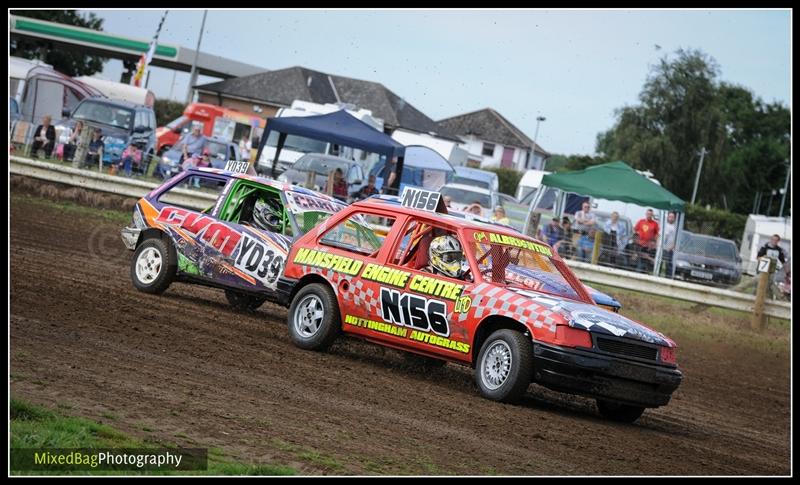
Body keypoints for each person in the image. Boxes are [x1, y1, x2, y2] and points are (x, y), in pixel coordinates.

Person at [662, 212, 678, 277]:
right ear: (667, 217)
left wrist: (671, 247)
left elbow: (676, 239)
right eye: (670, 217)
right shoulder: (664, 225)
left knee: (668, 264)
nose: (671, 218)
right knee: (660, 262)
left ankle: (668, 278)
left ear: (674, 218)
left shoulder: (675, 227)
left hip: (668, 249)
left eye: (672, 217)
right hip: (662, 248)